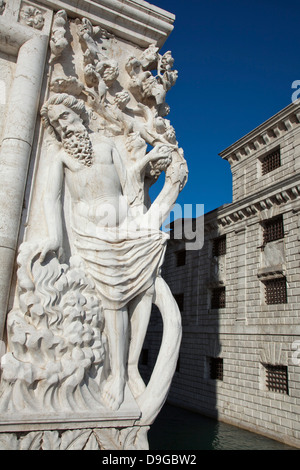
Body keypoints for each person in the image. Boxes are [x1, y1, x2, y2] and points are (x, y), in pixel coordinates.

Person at [39, 93, 172, 410]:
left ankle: (130, 366)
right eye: (57, 124)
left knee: (145, 288)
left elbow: (129, 184)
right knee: (114, 298)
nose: (63, 127)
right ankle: (116, 376)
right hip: (92, 235)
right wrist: (56, 237)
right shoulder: (62, 158)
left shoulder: (107, 144)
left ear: (78, 115)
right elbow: (52, 199)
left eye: (66, 118)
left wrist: (147, 163)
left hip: (126, 228)